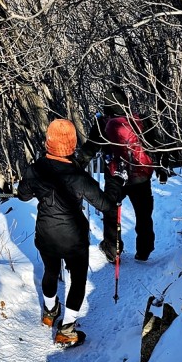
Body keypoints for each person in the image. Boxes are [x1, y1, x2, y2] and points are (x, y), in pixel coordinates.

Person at [17, 118, 117, 347]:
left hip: (46, 234)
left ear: (48, 141)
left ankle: (50, 312)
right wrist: (115, 185)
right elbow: (106, 205)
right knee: (78, 279)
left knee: (50, 271)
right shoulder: (77, 176)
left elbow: (22, 195)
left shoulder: (36, 169)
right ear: (72, 144)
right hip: (74, 238)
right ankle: (66, 329)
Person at [95, 85, 167, 263]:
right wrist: (162, 168)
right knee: (143, 213)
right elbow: (155, 144)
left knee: (111, 211)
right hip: (140, 175)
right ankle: (144, 250)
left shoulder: (102, 123)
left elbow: (89, 148)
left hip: (115, 176)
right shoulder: (140, 119)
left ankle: (113, 250)